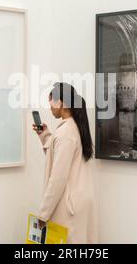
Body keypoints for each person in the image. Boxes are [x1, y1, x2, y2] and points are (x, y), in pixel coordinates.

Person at [32, 82, 97, 244]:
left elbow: (58, 178)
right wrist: (45, 135)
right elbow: (59, 158)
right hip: (77, 202)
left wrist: (43, 214)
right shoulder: (73, 128)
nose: (50, 107)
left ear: (60, 102)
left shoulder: (66, 133)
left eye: (51, 101)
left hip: (68, 207)